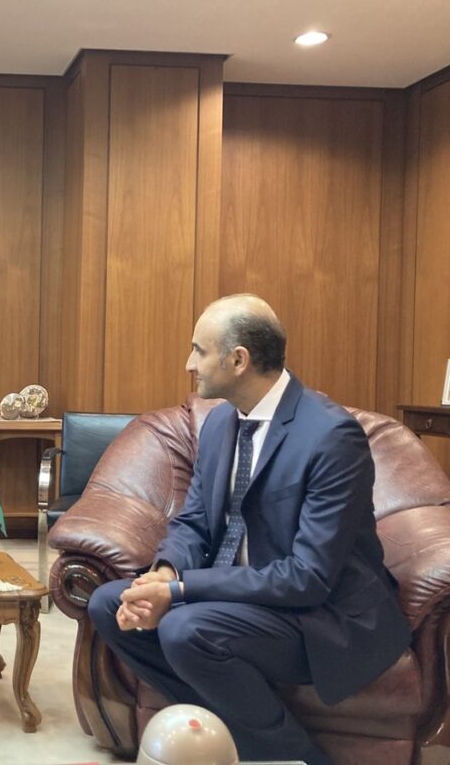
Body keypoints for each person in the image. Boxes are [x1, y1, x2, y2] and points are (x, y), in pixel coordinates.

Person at [87, 294, 411, 765]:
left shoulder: (330, 436)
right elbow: (195, 519)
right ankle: (231, 740)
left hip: (320, 615)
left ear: (238, 360)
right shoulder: (220, 423)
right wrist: (163, 571)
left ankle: (297, 758)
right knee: (108, 602)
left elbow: (307, 577)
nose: (188, 363)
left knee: (183, 628)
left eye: (198, 350)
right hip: (241, 600)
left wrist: (178, 592)